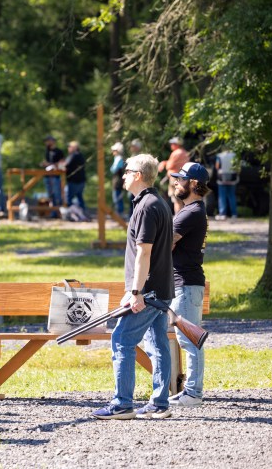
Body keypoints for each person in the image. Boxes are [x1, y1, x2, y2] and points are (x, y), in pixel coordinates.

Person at [92, 153, 174, 420]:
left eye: (126, 172)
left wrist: (136, 292)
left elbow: (144, 253)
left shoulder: (147, 206)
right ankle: (160, 403)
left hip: (148, 292)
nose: (123, 176)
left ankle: (122, 403)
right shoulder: (156, 202)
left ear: (138, 175)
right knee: (158, 343)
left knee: (121, 340)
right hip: (158, 289)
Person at [168, 162, 210, 407]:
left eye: (180, 179)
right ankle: (190, 391)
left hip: (185, 284)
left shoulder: (191, 212)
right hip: (184, 283)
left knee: (189, 340)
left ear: (193, 184)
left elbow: (166, 245)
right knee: (187, 338)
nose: (175, 182)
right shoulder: (191, 210)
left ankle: (193, 392)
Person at [158, 137, 190, 213]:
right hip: (184, 179)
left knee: (177, 200)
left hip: (175, 179)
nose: (171, 145)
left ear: (177, 144)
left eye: (173, 143)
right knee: (182, 200)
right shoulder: (185, 152)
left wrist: (164, 163)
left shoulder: (176, 153)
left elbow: (169, 166)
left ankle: (178, 219)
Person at [40, 135, 64, 217]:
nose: (46, 143)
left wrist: (50, 164)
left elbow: (61, 163)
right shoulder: (47, 151)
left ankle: (59, 212)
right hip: (47, 176)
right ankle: (53, 212)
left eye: (48, 141)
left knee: (57, 194)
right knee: (50, 195)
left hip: (55, 176)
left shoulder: (59, 152)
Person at [215, 148, 238, 220]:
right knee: (232, 196)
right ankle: (234, 214)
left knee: (222, 197)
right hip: (232, 178)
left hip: (222, 178)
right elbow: (237, 167)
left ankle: (222, 214)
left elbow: (217, 166)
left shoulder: (220, 156)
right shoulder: (234, 155)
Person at [64, 140, 87, 211]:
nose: (68, 148)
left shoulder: (74, 155)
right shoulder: (80, 155)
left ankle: (71, 212)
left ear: (75, 147)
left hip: (74, 181)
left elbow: (66, 165)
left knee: (68, 198)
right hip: (81, 180)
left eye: (70, 146)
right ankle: (82, 212)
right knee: (79, 197)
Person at [110, 142, 125, 214]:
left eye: (114, 150)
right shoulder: (117, 158)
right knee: (116, 197)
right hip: (117, 181)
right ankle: (119, 213)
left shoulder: (119, 159)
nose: (113, 151)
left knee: (117, 198)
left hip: (118, 182)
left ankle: (119, 214)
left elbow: (114, 170)